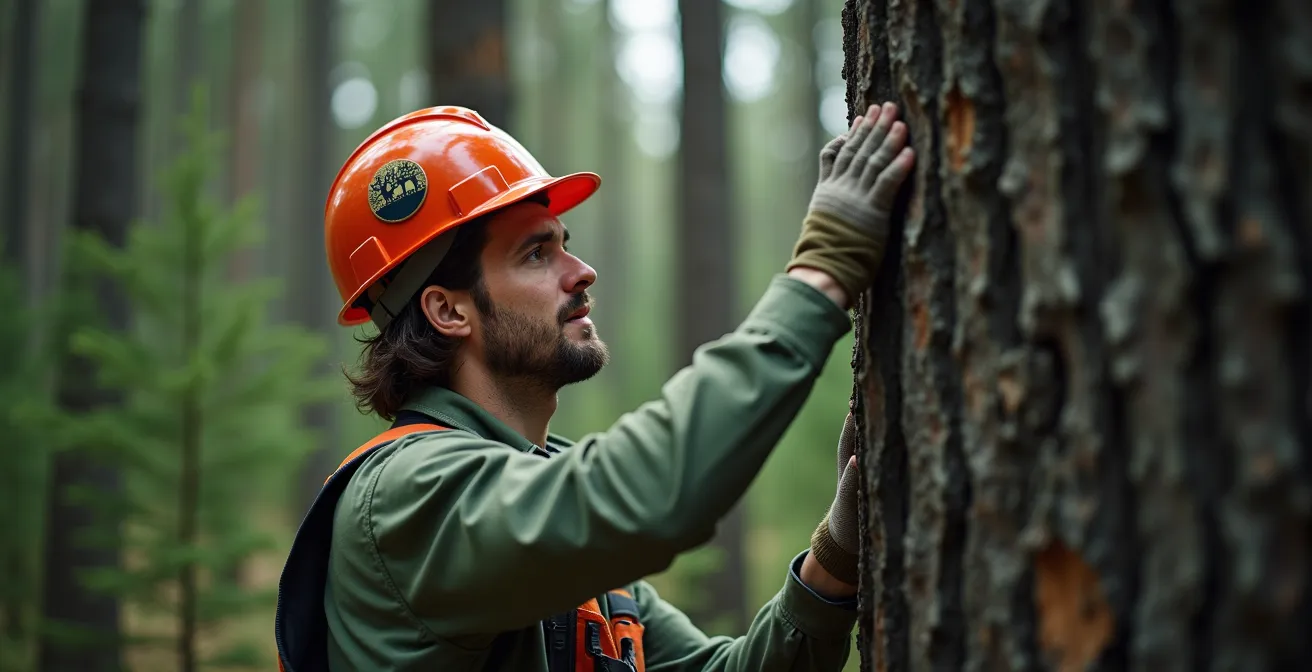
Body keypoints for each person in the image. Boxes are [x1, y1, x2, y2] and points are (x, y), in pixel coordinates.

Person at [274, 101, 914, 671]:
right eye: (535, 254)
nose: (581, 272)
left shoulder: (545, 498)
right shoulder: (405, 496)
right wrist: (822, 273)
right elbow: (646, 496)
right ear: (448, 311)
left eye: (565, 246)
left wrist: (832, 563)